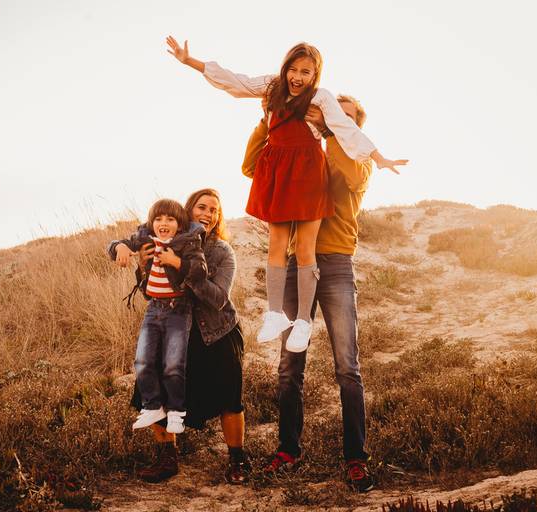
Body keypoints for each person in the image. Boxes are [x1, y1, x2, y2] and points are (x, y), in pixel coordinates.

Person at [166, 35, 407, 354]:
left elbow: (347, 130)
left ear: (315, 75)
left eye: (305, 72)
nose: (297, 77)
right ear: (285, 68)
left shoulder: (321, 98)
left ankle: (304, 323)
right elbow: (235, 82)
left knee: (305, 249)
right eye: (293, 69)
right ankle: (275, 314)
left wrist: (378, 157)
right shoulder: (271, 87)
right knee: (277, 247)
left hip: (307, 173)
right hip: (278, 173)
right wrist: (190, 62)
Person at [243, 95, 379, 492]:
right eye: (331, 110)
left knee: (347, 368)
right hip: (293, 268)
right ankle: (289, 449)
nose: (332, 116)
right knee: (289, 367)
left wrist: (334, 131)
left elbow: (348, 178)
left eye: (346, 116)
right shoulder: (300, 152)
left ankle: (356, 458)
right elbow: (252, 166)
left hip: (335, 265)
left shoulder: (358, 161)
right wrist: (267, 123)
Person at [109, 189, 249, 484]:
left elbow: (219, 299)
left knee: (229, 398)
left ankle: (238, 460)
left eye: (214, 210)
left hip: (216, 331)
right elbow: (151, 293)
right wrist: (144, 266)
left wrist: (182, 268)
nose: (208, 214)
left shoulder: (222, 252)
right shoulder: (164, 240)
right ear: (189, 211)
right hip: (173, 327)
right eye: (202, 207)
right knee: (154, 385)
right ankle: (167, 457)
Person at [110, 198, 207, 435]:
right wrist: (119, 248)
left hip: (178, 308)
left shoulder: (186, 242)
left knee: (173, 364)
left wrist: (175, 260)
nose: (164, 223)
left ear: (180, 224)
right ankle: (152, 406)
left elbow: (200, 270)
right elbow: (118, 244)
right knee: (142, 361)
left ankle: (176, 411)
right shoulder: (145, 238)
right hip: (153, 309)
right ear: (151, 222)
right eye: (158, 219)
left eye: (170, 219)